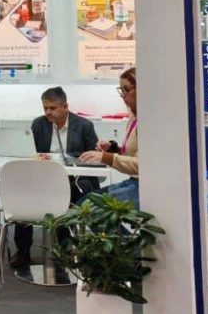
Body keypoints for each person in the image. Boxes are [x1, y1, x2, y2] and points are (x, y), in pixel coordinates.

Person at [10, 86, 99, 271]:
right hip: (44, 177)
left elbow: (95, 157)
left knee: (69, 194)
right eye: (45, 108)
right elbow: (31, 152)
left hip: (73, 179)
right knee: (22, 195)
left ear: (65, 106)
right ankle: (23, 251)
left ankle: (64, 249)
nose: (48, 112)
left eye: (52, 108)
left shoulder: (84, 126)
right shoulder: (39, 124)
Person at [80, 67, 139, 204]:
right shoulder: (133, 116)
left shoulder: (150, 121)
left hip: (143, 186)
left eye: (126, 90)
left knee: (87, 205)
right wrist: (112, 148)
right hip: (133, 181)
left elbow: (142, 165)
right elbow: (132, 153)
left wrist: (105, 157)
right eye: (121, 90)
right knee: (85, 202)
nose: (123, 96)